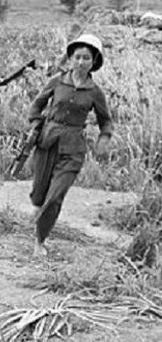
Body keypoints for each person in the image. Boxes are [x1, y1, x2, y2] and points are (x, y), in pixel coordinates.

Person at [27, 33, 113, 259]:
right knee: (39, 195)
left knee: (55, 197)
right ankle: (39, 216)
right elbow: (36, 106)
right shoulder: (56, 81)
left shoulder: (95, 92)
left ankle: (40, 241)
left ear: (94, 62)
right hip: (47, 143)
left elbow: (106, 120)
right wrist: (36, 126)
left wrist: (104, 139)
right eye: (77, 57)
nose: (81, 62)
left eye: (87, 58)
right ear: (71, 58)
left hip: (73, 148)